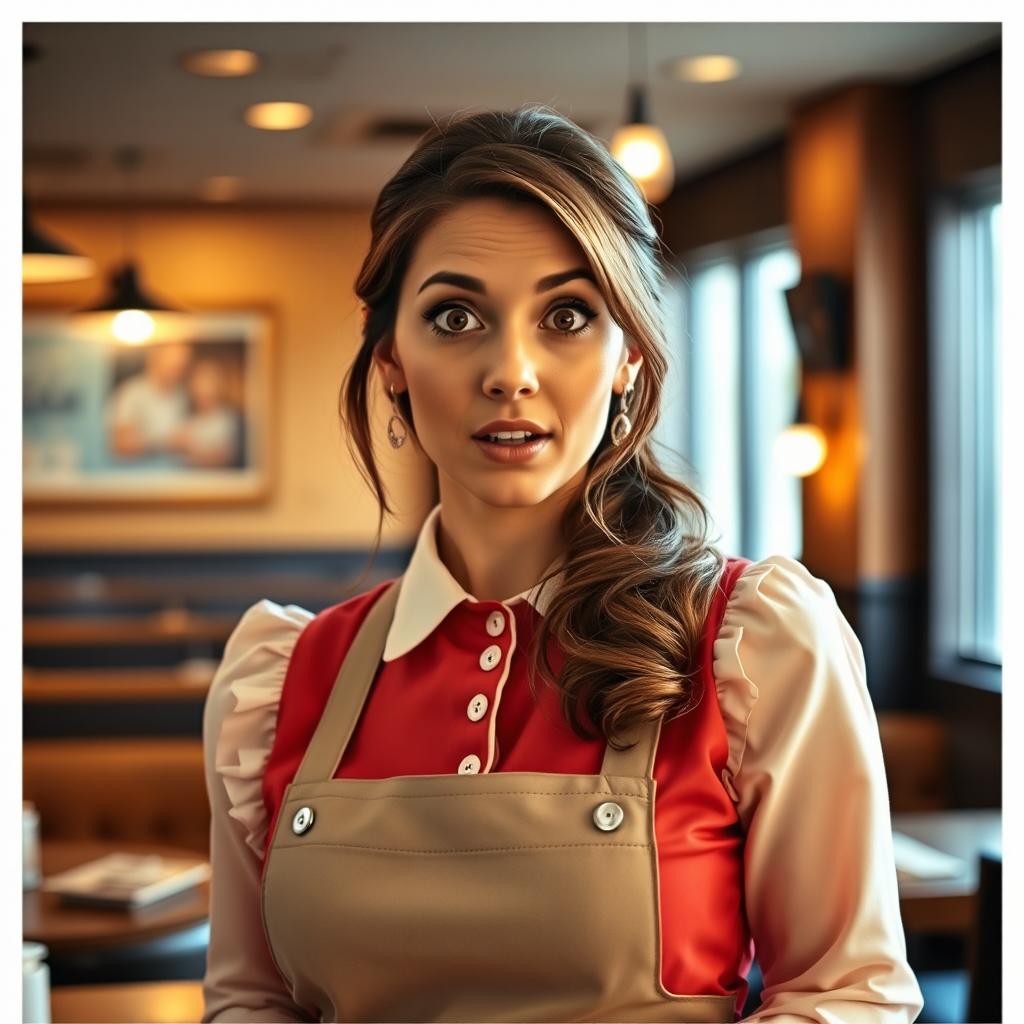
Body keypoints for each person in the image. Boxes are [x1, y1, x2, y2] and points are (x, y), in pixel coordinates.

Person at [201, 105, 924, 1023]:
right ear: (390, 360)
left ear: (626, 357)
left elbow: (846, 992)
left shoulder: (755, 645)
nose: (512, 370)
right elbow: (249, 1002)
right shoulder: (277, 680)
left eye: (569, 315)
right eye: (456, 316)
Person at [105, 341, 192, 459]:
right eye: (173, 365)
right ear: (155, 360)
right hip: (138, 474)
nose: (177, 370)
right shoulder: (132, 392)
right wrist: (166, 443)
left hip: (175, 473)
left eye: (182, 366)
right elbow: (121, 444)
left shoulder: (183, 396)